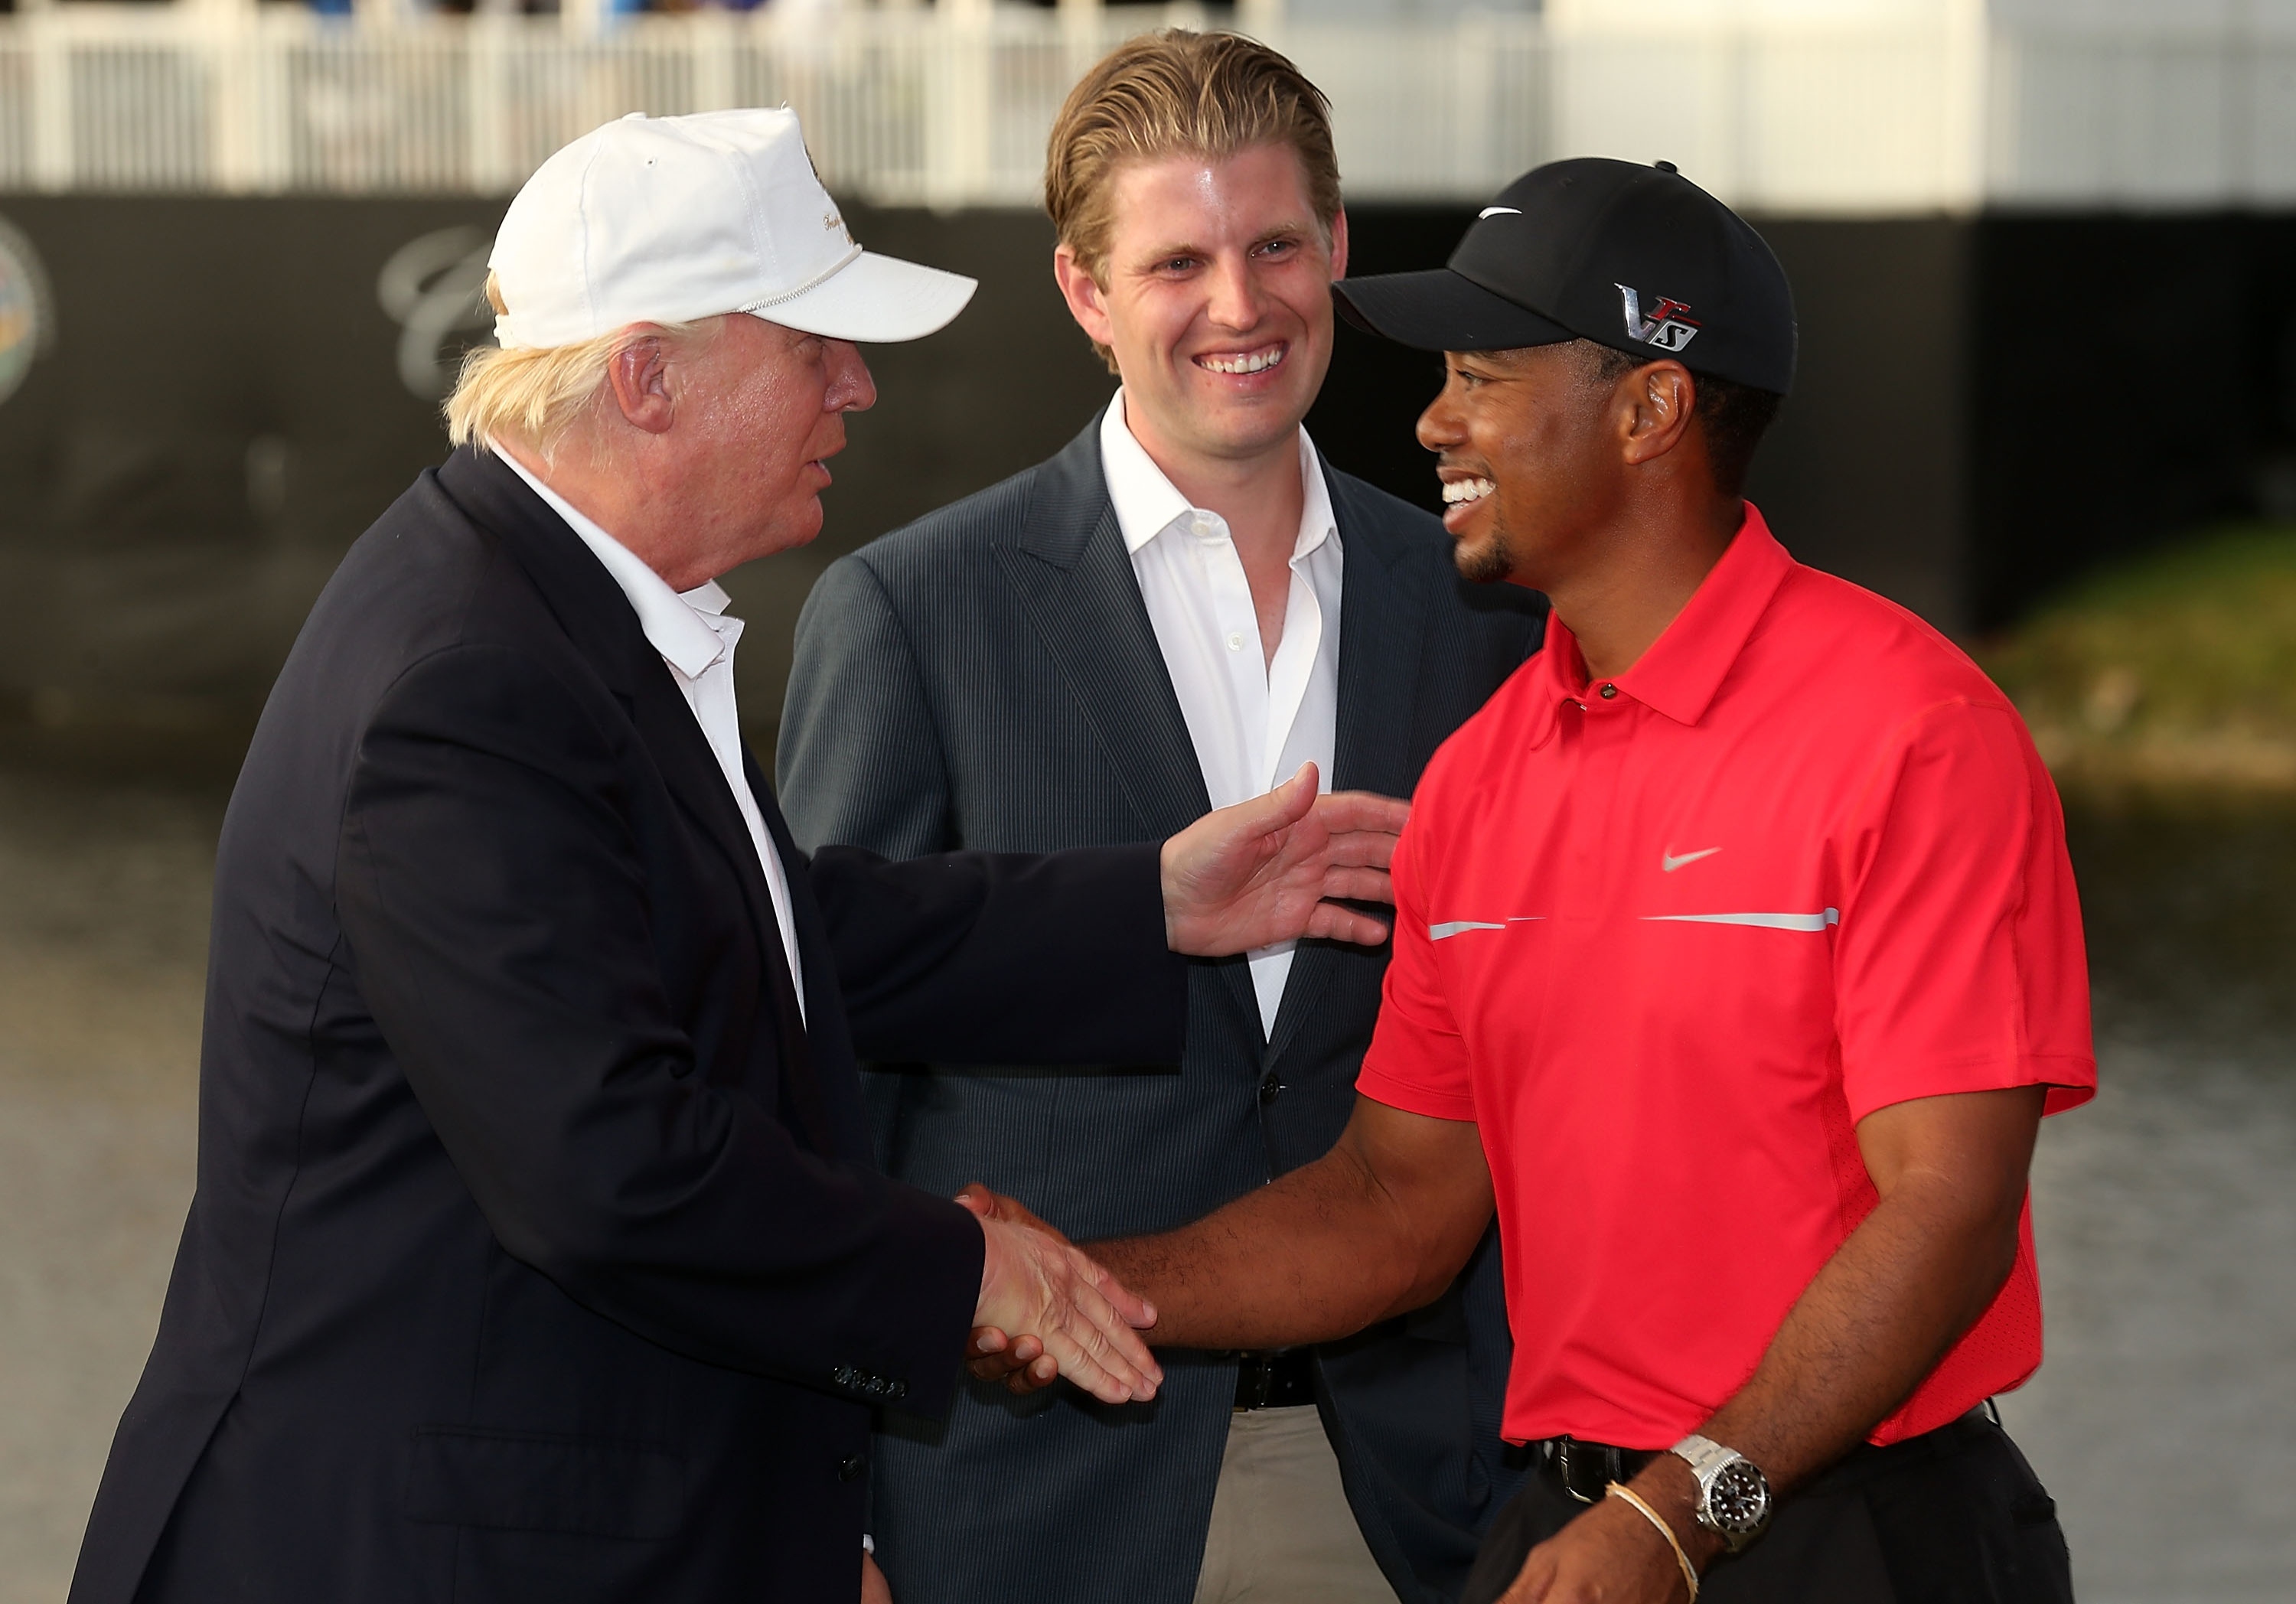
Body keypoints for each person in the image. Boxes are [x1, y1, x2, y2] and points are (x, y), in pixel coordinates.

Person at [67, 108, 1411, 1604]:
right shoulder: (468, 680)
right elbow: (609, 1165)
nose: (858, 385)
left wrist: (1147, 906)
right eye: (811, 346)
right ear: (646, 377)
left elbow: (766, 931)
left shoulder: (542, 608)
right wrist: (961, 1270)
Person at [970, 157, 2092, 1604]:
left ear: (1650, 409)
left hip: (1842, 1533)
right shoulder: (1483, 774)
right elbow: (1394, 1201)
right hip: (1572, 1530)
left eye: (1483, 377)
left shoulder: (1912, 736)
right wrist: (1079, 1282)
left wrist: (1688, 1514)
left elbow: (1949, 1213)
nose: (1434, 422)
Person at [776, 31, 1542, 1604]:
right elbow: (815, 1077)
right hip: (1021, 1509)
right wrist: (825, 1511)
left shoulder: (1482, 614)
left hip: (1411, 1498)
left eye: (1274, 245)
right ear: (1087, 294)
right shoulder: (914, 612)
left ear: (1337, 246)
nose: (1240, 305)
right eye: (1178, 259)